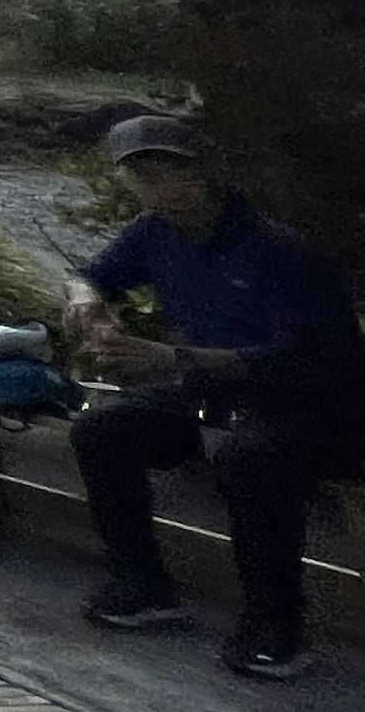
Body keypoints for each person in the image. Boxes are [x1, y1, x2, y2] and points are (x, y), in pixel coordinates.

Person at [65, 115, 365, 680]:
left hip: (313, 410)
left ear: (208, 175)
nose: (159, 191)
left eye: (171, 175)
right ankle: (144, 584)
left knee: (248, 459)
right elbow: (92, 273)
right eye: (144, 179)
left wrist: (171, 359)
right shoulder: (154, 233)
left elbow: (307, 362)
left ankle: (277, 627)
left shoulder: (280, 251)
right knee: (100, 430)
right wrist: (85, 300)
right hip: (213, 399)